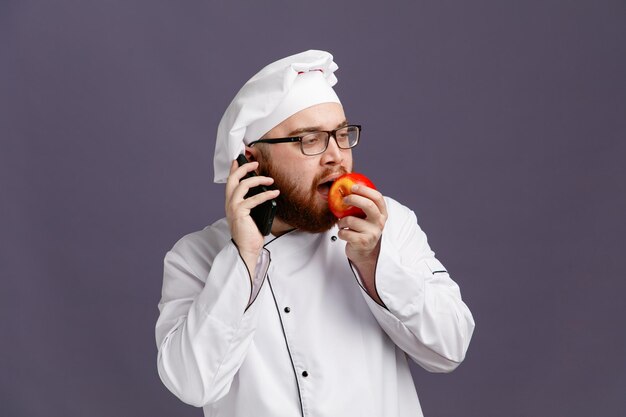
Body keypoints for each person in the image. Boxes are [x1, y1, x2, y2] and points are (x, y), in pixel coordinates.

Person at [155, 50, 475, 417]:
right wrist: (243, 258)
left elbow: (450, 348)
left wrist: (375, 262)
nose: (336, 156)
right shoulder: (195, 257)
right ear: (251, 158)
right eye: (310, 139)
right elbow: (192, 385)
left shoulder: (389, 223)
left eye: (341, 134)